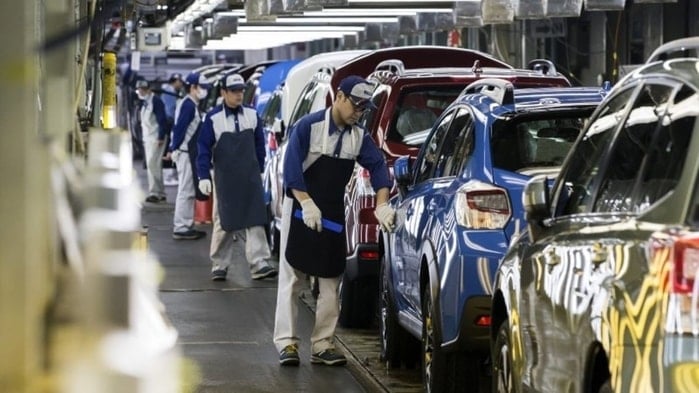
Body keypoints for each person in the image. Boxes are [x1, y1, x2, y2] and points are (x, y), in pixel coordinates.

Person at [273, 75, 396, 367]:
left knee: (331, 280)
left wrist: (381, 205)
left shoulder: (359, 136)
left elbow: (378, 167)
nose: (359, 112)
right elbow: (291, 171)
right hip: (301, 209)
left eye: (364, 108)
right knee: (293, 278)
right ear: (339, 97)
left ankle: (322, 343)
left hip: (332, 213)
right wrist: (305, 203)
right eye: (356, 105)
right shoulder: (309, 127)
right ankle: (287, 343)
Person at [196, 73, 278, 281]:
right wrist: (203, 176)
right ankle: (219, 264)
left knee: (256, 219)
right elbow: (203, 149)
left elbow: (260, 145)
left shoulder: (252, 115)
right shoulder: (213, 118)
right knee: (224, 221)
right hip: (225, 178)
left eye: (241, 90)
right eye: (234, 91)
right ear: (223, 93)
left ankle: (259, 262)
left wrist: (259, 169)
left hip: (250, 176)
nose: (239, 95)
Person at [169, 72, 210, 240]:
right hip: (185, 153)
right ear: (193, 87)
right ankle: (181, 227)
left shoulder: (190, 104)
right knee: (186, 191)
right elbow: (179, 129)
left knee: (188, 190)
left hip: (187, 152)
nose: (204, 91)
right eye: (202, 88)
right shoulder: (188, 105)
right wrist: (174, 148)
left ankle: (186, 224)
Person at [136, 79, 169, 203]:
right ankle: (160, 193)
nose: (141, 92)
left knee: (152, 164)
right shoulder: (145, 102)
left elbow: (162, 120)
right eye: (140, 90)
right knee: (154, 165)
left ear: (149, 89)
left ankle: (155, 192)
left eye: (143, 89)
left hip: (156, 138)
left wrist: (160, 137)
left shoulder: (156, 101)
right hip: (149, 138)